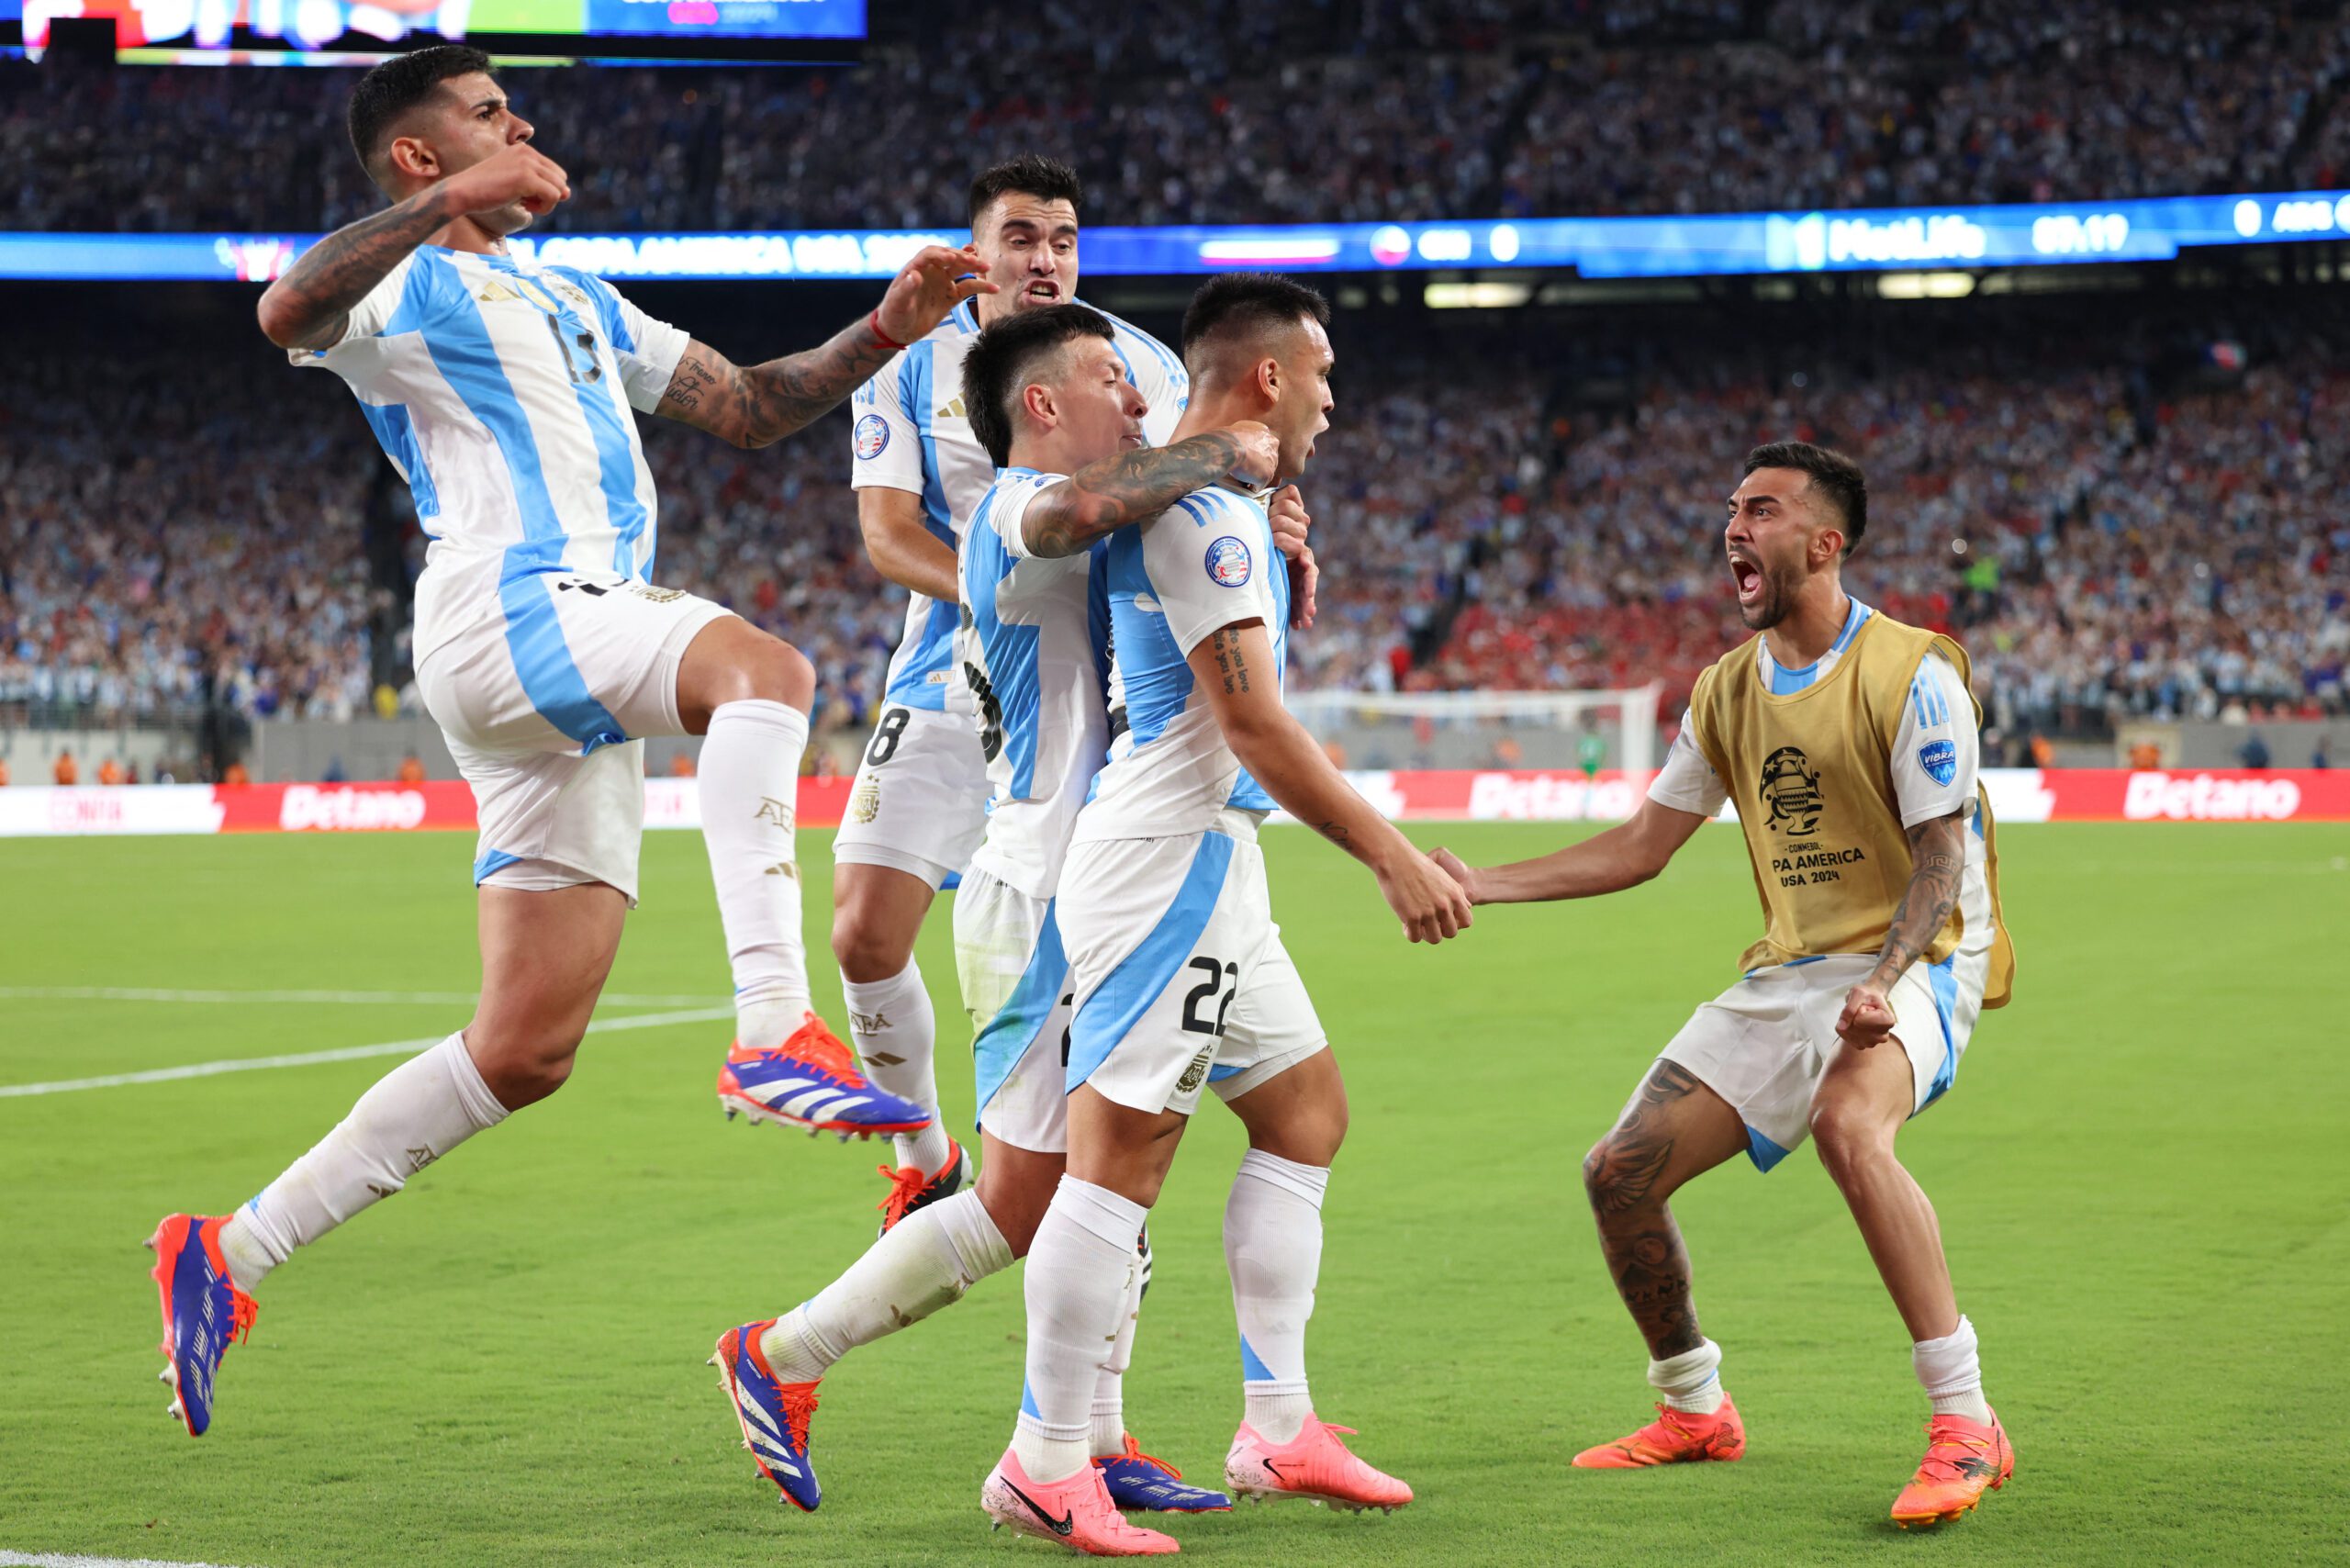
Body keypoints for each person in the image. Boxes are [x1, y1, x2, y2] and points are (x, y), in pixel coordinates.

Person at [145, 44, 990, 1439]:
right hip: (511, 606)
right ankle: (772, 1025)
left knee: (525, 1046)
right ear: (420, 157)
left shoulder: (577, 295)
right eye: (486, 116)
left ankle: (226, 1256)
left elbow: (752, 405)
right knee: (764, 669)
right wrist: (449, 201)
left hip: (562, 656)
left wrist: (887, 327)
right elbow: (283, 306)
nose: (519, 125)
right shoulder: (404, 279)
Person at [710, 304, 1286, 1518]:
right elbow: (1091, 510)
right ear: (1039, 405)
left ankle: (1092, 1435)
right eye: (1110, 384)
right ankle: (785, 1354)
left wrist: (1271, 548)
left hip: (1106, 884)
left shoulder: (1080, 519)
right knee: (1037, 1201)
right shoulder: (1013, 512)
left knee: (1120, 1170)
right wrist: (1215, 453)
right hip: (1041, 898)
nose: (1136, 399)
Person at [1431, 442, 2019, 1529]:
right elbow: (1641, 846)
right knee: (1618, 1172)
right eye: (1730, 511)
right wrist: (1486, 883)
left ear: (1824, 541)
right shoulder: (1726, 689)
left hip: (1925, 953)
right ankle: (1695, 1406)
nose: (1733, 529)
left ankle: (1965, 1420)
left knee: (1850, 1122)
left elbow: (1941, 859)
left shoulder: (1911, 674)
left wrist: (1885, 981)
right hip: (1800, 966)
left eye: (1761, 511)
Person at [981, 275, 1471, 1555]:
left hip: (1214, 860)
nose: (1329, 397)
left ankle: (1278, 1425)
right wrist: (1391, 855)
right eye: (1320, 373)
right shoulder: (1205, 507)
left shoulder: (1211, 498)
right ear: (1265, 377)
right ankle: (1041, 1463)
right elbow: (1251, 721)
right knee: (1120, 1163)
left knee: (1306, 1114)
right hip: (1164, 861)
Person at [822, 155, 1233, 1222]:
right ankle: (924, 1153)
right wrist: (993, 586)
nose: (1043, 258)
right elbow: (885, 529)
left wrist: (1280, 524)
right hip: (947, 674)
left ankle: (1086, 1188)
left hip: (1085, 686)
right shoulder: (908, 359)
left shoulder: (1133, 359)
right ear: (976, 252)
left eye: (1061, 239)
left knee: (1073, 941)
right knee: (863, 930)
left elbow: (1199, 490)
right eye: (1019, 237)